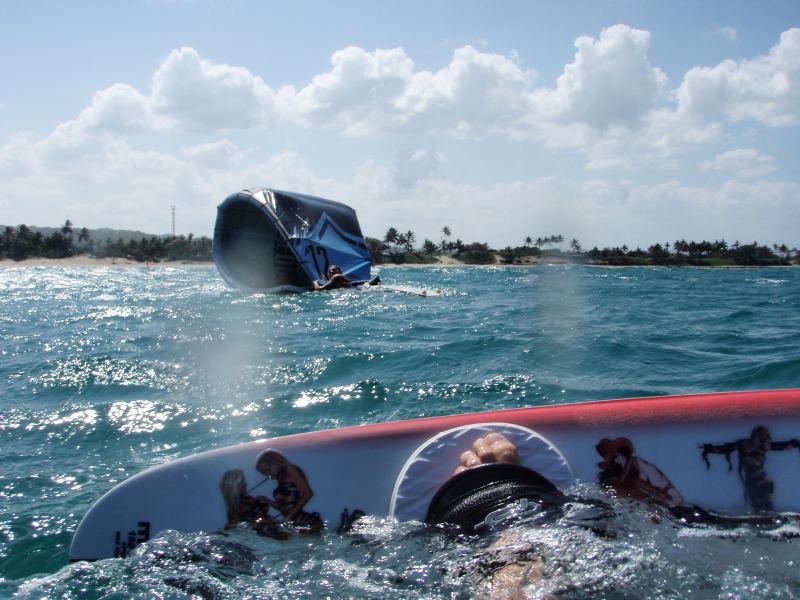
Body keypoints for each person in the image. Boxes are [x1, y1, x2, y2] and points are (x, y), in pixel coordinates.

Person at [255, 450, 325, 532]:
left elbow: (308, 493)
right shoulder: (280, 478)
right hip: (294, 522)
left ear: (275, 463)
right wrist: (266, 500)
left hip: (306, 521)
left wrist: (290, 516)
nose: (268, 474)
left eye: (267, 469)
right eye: (264, 472)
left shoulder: (290, 470)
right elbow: (285, 508)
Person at [218, 469, 289, 540]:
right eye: (241, 482)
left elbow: (282, 509)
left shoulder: (248, 499)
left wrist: (267, 501)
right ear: (233, 486)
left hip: (278, 530)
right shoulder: (233, 509)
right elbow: (233, 529)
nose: (246, 484)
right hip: (269, 536)